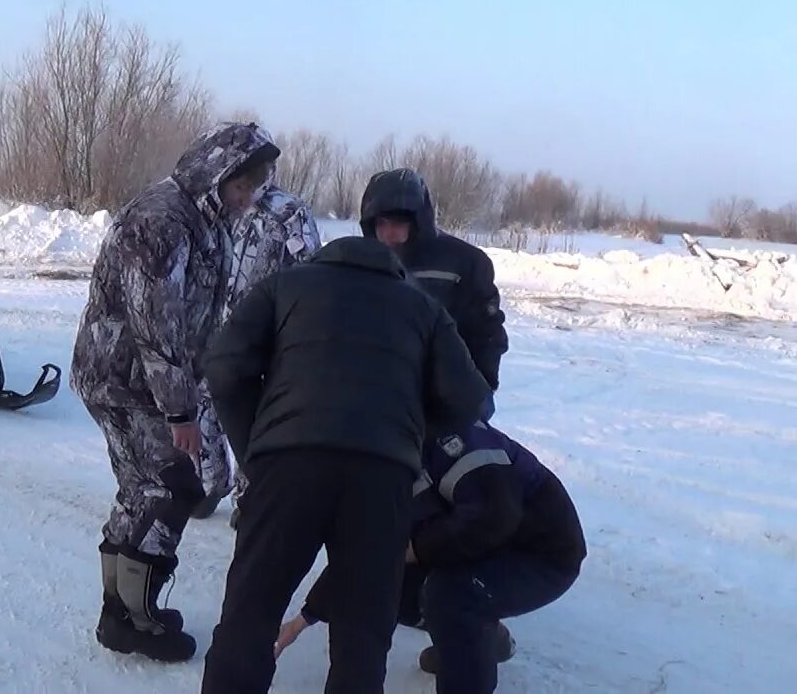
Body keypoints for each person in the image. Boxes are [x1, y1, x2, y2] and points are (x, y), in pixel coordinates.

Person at [197, 232, 492, 693]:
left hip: (287, 468)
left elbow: (223, 368)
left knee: (250, 613)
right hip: (382, 480)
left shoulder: (283, 286)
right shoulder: (424, 308)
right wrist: (410, 434)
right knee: (362, 633)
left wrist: (257, 446)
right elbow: (471, 399)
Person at [70, 122, 282, 663]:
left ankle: (121, 610)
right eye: (241, 188)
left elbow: (196, 312)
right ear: (218, 175)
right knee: (173, 488)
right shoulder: (162, 220)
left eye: (255, 189)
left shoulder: (200, 217)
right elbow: (156, 326)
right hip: (127, 380)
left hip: (138, 379)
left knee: (143, 490)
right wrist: (180, 411)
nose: (246, 200)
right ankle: (134, 619)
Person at [274, 421, 586, 694]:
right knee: (385, 588)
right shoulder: (373, 467)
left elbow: (496, 515)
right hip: (478, 546)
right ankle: (477, 642)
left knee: (451, 595)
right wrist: (304, 618)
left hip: (542, 551)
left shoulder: (452, 437)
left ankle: (468, 651)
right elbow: (367, 557)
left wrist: (418, 549)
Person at [190, 182, 322, 523]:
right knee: (203, 401)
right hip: (212, 324)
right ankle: (208, 483)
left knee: (254, 412)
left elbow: (311, 271)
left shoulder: (289, 211)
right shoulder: (215, 206)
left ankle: (250, 495)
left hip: (264, 332)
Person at [361, 168, 507, 419]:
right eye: (380, 224)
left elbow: (487, 332)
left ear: (418, 221)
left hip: (447, 385)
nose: (387, 234)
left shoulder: (464, 262)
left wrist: (481, 387)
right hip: (385, 387)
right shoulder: (365, 260)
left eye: (397, 223)